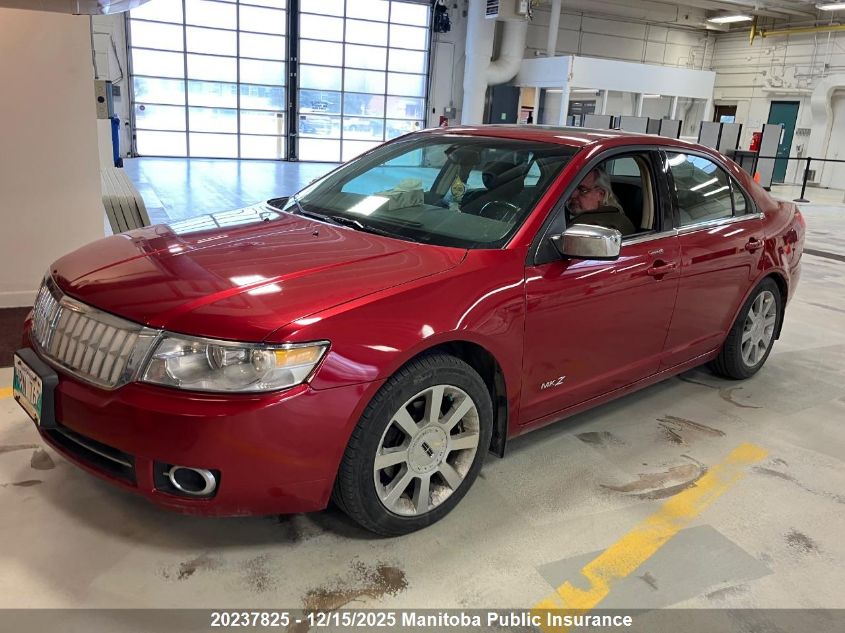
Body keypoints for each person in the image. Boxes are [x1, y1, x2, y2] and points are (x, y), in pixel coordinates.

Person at [567, 167, 636, 236]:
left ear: (601, 194)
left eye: (583, 190)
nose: (572, 195)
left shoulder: (609, 226)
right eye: (571, 189)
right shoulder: (562, 212)